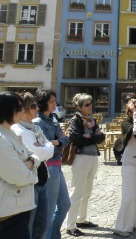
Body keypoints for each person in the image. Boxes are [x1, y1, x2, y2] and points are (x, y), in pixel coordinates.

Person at [0, 91, 40, 239]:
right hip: (8, 214)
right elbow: (19, 176)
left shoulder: (11, 133)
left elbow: (35, 156)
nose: (23, 110)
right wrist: (33, 171)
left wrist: (29, 162)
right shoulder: (2, 138)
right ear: (7, 110)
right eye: (19, 108)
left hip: (19, 208)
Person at [33, 89, 71, 239]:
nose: (55, 104)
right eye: (52, 101)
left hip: (57, 165)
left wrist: (57, 141)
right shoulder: (38, 122)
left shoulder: (53, 119)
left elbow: (65, 140)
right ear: (44, 103)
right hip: (49, 167)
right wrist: (57, 142)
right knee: (49, 211)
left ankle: (54, 235)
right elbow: (45, 146)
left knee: (64, 205)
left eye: (55, 101)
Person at [9, 92, 47, 239]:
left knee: (42, 224)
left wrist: (44, 148)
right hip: (31, 183)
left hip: (42, 178)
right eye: (33, 106)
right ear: (23, 109)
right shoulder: (18, 130)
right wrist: (40, 152)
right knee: (29, 227)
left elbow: (48, 148)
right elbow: (39, 154)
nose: (37, 108)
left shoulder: (34, 128)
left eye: (36, 105)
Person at [65, 94, 105, 236]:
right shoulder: (75, 120)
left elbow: (101, 137)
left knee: (87, 192)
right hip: (81, 157)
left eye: (90, 103)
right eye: (87, 104)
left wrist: (90, 136)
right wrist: (92, 138)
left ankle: (81, 219)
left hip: (93, 157)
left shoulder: (92, 119)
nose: (90, 106)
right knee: (77, 191)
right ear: (79, 107)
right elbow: (76, 138)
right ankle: (70, 225)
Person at [113, 99, 136, 237]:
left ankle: (133, 223)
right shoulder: (127, 123)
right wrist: (135, 114)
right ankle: (121, 226)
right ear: (129, 111)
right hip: (129, 162)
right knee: (128, 195)